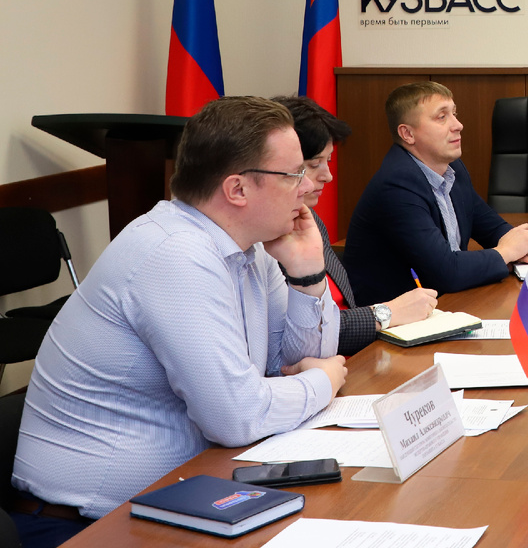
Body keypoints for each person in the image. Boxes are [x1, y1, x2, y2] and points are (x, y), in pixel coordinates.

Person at [12, 97, 347, 547]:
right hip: (83, 526)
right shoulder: (174, 253)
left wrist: (306, 276)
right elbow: (238, 416)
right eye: (292, 174)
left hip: (183, 499)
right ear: (237, 189)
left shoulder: (252, 248)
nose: (306, 186)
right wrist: (322, 382)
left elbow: (292, 364)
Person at [342, 81, 528, 305]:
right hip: (395, 319)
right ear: (407, 134)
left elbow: (489, 225)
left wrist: (520, 247)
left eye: (454, 114)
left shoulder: (451, 168)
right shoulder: (397, 186)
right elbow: (447, 272)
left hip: (444, 305)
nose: (458, 125)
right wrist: (506, 252)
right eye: (442, 117)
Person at [274, 96, 438, 355]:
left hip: (358, 354)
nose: (328, 176)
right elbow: (301, 336)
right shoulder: (263, 237)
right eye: (314, 165)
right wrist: (386, 313)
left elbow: (340, 310)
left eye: (328, 161)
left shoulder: (308, 218)